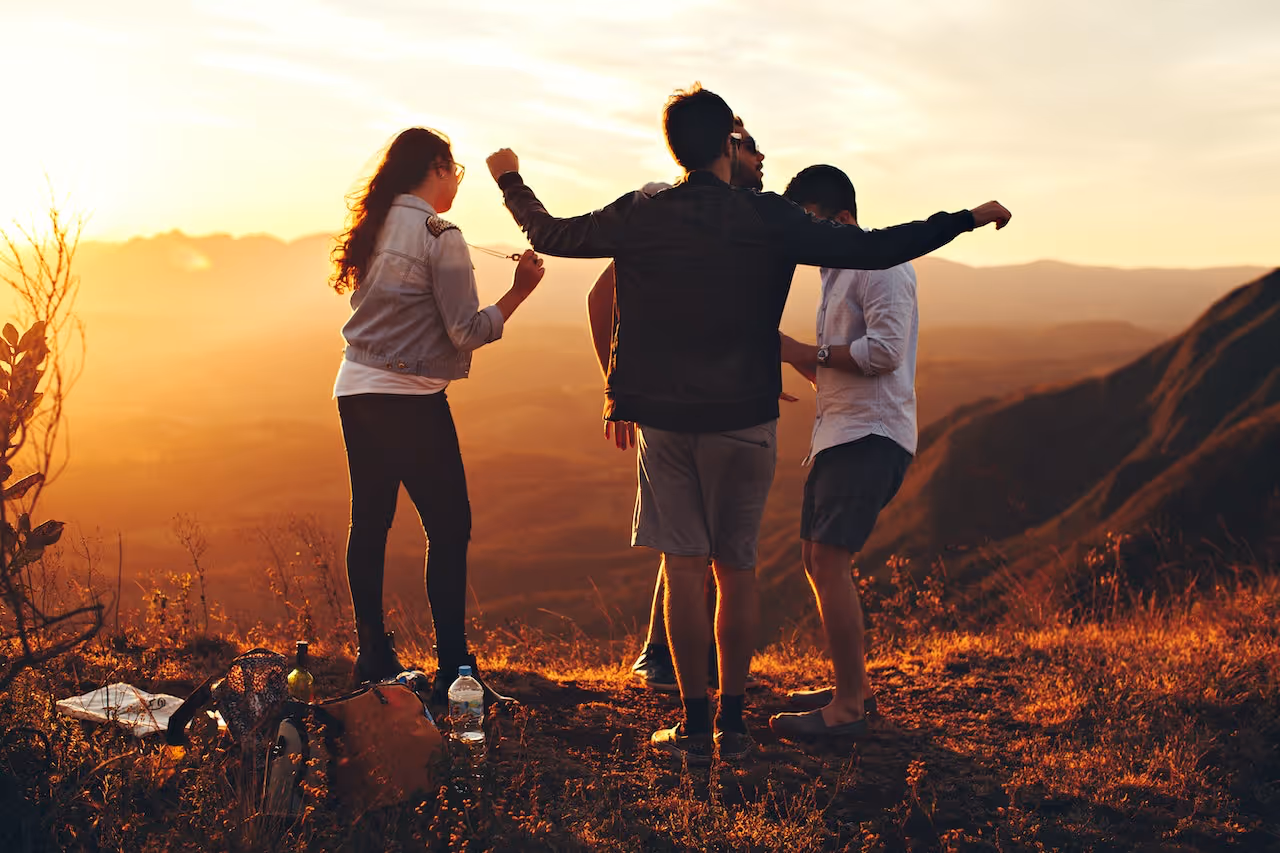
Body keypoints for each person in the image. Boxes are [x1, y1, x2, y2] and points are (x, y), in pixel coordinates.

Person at [486, 84, 1010, 764]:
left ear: (675, 145)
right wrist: (965, 217)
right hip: (747, 417)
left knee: (684, 571)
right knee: (738, 571)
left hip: (668, 419)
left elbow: (552, 233)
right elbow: (877, 247)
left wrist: (510, 180)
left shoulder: (644, 213)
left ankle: (695, 726)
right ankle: (734, 724)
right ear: (729, 147)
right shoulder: (765, 216)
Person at [330, 127, 545, 707]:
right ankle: (455, 671)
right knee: (449, 527)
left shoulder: (375, 224)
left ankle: (372, 655)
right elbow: (466, 331)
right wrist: (520, 291)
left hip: (355, 388)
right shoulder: (440, 235)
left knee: (370, 522)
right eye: (456, 172)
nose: (457, 184)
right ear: (437, 168)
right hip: (411, 397)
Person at [589, 118, 766, 694]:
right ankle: (665, 658)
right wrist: (619, 391)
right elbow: (601, 296)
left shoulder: (736, 218)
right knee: (689, 543)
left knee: (694, 541)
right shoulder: (666, 209)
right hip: (675, 405)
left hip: (714, 400)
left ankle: (679, 666)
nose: (763, 157)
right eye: (749, 145)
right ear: (723, 149)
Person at [767, 164, 925, 739]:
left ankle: (849, 708)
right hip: (840, 432)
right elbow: (838, 367)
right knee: (817, 559)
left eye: (806, 221)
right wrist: (788, 357)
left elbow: (883, 353)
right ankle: (848, 685)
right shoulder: (836, 273)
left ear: (841, 218)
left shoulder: (879, 266)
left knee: (829, 561)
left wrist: (803, 348)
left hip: (871, 435)